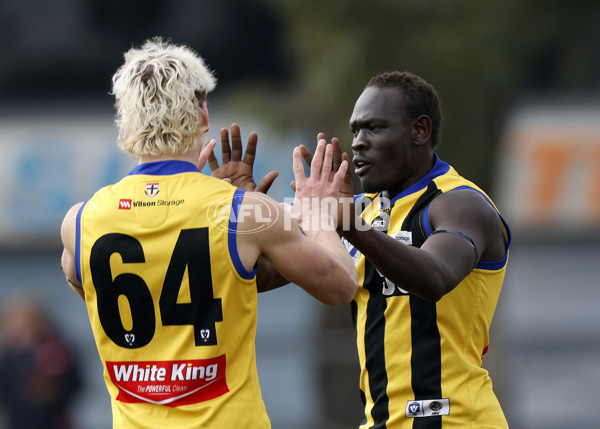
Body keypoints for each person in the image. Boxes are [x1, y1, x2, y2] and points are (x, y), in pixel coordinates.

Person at [59, 37, 357, 429]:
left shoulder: (79, 222)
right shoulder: (242, 212)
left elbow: (101, 291)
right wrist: (318, 217)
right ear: (202, 114)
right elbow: (341, 286)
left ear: (125, 121)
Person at [253, 71, 511, 428]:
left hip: (455, 420)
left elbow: (436, 277)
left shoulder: (460, 203)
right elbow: (260, 277)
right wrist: (239, 230)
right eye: (355, 130)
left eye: (373, 128)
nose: (358, 142)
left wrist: (348, 226)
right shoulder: (357, 212)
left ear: (420, 131)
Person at [0, 293, 82, 429]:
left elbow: (76, 384)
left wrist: (55, 390)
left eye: (29, 322)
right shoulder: (8, 357)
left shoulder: (56, 351)